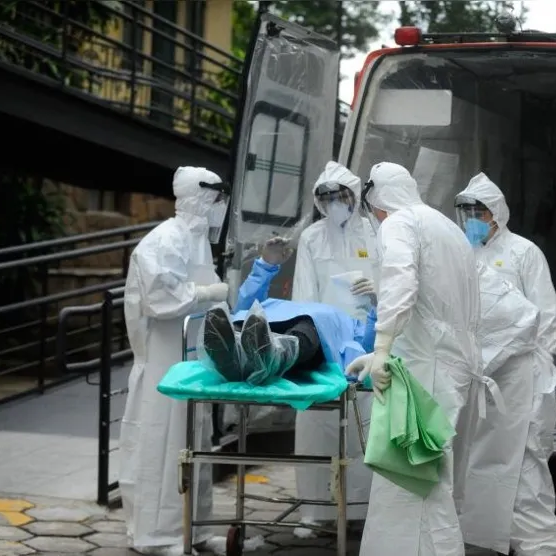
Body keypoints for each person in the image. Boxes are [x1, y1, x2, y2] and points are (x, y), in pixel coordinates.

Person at [346, 162, 482, 556]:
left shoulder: (399, 223)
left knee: (413, 481)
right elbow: (437, 308)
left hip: (428, 369)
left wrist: (383, 347)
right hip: (451, 365)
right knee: (431, 480)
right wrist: (379, 352)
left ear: (378, 200)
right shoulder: (447, 228)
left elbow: (401, 282)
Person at [119, 166, 230, 556]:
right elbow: (160, 299)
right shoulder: (164, 240)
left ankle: (194, 530)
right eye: (215, 199)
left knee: (193, 446)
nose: (219, 207)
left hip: (192, 361)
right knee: (162, 446)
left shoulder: (197, 241)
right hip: (165, 363)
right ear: (199, 198)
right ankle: (158, 535)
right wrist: (205, 292)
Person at [455, 173, 556, 555]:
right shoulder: (462, 253)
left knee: (527, 462)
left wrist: (543, 372)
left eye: (478, 211)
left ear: (496, 214)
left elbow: (544, 318)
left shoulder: (524, 252)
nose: (470, 218)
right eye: (465, 210)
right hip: (483, 378)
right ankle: (488, 537)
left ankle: (538, 544)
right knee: (484, 462)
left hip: (523, 378)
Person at [291, 161, 380, 535]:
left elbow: (395, 280)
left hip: (367, 342)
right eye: (326, 198)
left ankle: (362, 510)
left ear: (354, 196)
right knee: (317, 424)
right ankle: (314, 511)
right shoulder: (312, 237)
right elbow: (303, 291)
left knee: (365, 426)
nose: (334, 204)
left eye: (340, 196)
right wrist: (308, 340)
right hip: (324, 342)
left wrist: (377, 296)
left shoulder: (376, 233)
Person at [200, 252, 376, 384]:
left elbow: (369, 349)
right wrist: (265, 264)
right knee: (253, 325)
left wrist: (376, 307)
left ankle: (255, 354)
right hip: (269, 321)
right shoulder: (294, 304)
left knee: (306, 330)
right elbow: (245, 306)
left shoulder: (352, 324)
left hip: (311, 333)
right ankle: (233, 350)